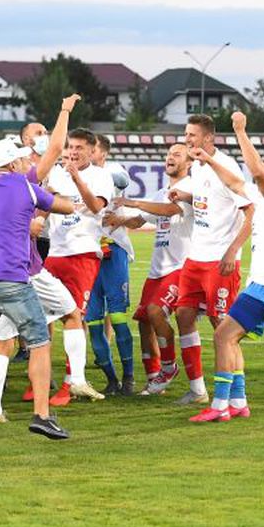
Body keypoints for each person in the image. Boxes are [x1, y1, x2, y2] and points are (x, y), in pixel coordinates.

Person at [0, 137, 75, 442]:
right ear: (11, 164)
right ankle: (42, 415)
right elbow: (66, 206)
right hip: (12, 278)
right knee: (39, 343)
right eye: (20, 160)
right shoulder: (24, 186)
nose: (25, 164)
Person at [187, 112, 264, 422]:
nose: (259, 168)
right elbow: (236, 182)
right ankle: (238, 402)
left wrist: (240, 130)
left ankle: (220, 405)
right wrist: (208, 161)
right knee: (229, 336)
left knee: (223, 336)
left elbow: (252, 172)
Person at [170, 114, 254, 406]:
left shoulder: (226, 167)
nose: (187, 139)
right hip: (195, 257)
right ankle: (197, 388)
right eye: (186, 134)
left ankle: (236, 394)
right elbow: (209, 201)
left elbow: (250, 211)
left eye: (192, 135)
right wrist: (185, 195)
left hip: (219, 261)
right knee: (183, 315)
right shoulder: (197, 168)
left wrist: (233, 250)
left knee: (223, 325)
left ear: (208, 138)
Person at [106, 143, 193, 395]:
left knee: (156, 312)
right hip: (158, 269)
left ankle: (169, 366)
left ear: (188, 163)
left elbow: (169, 210)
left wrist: (133, 202)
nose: (170, 158)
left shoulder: (188, 189)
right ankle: (155, 376)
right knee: (144, 319)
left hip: (180, 265)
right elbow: (141, 219)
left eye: (177, 154)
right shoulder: (160, 192)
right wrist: (118, 220)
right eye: (168, 154)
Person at [43, 128, 115, 404]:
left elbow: (96, 207)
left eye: (79, 148)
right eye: (70, 147)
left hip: (82, 253)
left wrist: (76, 177)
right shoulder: (56, 173)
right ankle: (44, 379)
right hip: (55, 253)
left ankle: (72, 382)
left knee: (75, 316)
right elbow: (45, 201)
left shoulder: (100, 176)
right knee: (44, 317)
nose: (72, 152)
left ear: (91, 151)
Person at [86, 133, 137, 395]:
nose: (83, 153)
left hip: (113, 251)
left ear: (102, 153)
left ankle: (128, 377)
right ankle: (111, 379)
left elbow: (122, 180)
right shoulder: (79, 176)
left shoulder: (112, 171)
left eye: (89, 150)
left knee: (117, 317)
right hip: (87, 254)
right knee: (93, 320)